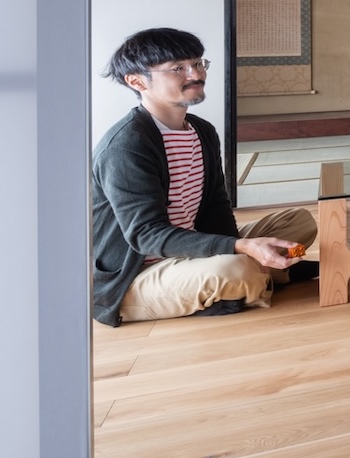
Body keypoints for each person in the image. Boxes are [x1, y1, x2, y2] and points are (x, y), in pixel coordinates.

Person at [90, 27, 319, 325]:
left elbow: (215, 205)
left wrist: (237, 246)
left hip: (192, 250)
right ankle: (262, 276)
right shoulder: (126, 146)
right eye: (178, 68)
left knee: (300, 221)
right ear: (137, 81)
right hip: (139, 274)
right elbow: (145, 235)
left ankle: (257, 274)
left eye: (198, 63)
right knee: (234, 270)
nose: (196, 74)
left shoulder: (202, 131)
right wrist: (240, 251)